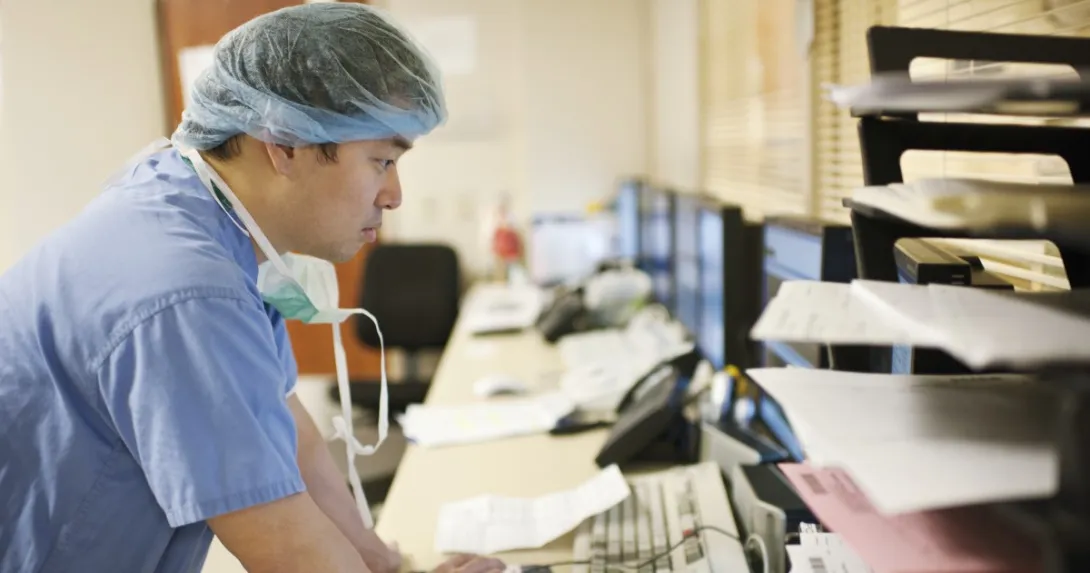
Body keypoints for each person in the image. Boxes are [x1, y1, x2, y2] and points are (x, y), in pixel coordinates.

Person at [0, 4, 505, 573]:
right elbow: (281, 543)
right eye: (381, 161)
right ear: (284, 144)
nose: (394, 195)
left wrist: (386, 566)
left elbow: (288, 434)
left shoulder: (199, 207)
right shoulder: (187, 288)